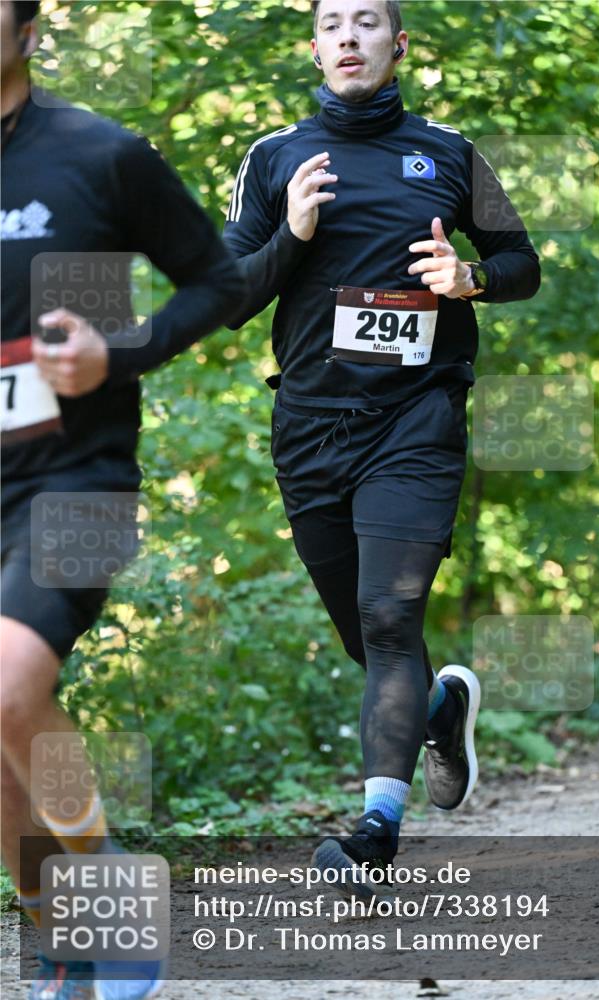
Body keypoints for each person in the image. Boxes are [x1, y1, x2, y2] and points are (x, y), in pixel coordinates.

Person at [0, 2, 336, 997]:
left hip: (79, 477)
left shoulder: (99, 156)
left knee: (9, 685)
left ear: (26, 30)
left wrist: (118, 351)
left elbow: (220, 281)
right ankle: (59, 935)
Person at [223, 0, 540, 893]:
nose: (350, 36)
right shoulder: (275, 158)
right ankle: (440, 707)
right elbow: (227, 293)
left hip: (417, 418)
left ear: (397, 45)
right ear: (315, 47)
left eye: (368, 21)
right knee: (364, 635)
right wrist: (290, 234)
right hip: (311, 426)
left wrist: (469, 278)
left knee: (390, 616)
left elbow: (522, 262)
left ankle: (374, 832)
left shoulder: (447, 151)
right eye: (334, 23)